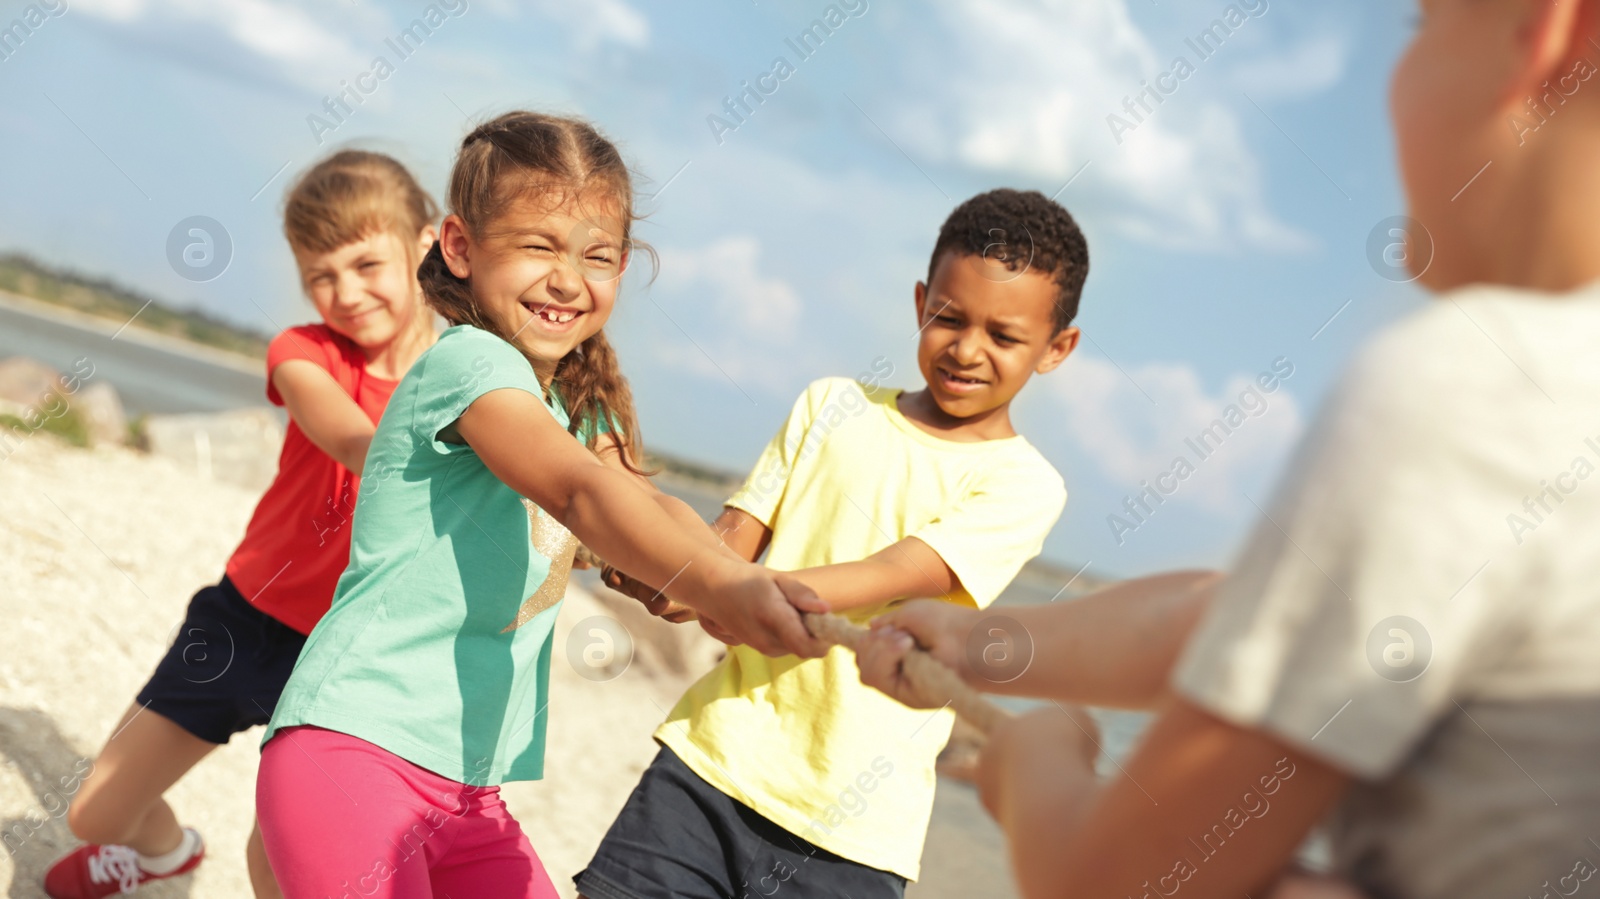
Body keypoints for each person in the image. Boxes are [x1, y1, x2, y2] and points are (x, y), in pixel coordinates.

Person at [855, 1, 1600, 897]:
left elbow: (1114, 880)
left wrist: (1036, 753)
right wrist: (982, 642)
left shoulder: (1482, 387)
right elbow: (1243, 616)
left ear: (1550, 31)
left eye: (1420, 24)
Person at [253, 110, 831, 899]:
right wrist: (720, 585)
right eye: (538, 245)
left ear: (623, 266)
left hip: (469, 793)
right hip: (355, 748)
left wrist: (729, 577)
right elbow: (577, 490)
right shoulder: (469, 363)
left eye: (596, 255)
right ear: (458, 247)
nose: (568, 278)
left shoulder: (572, 410)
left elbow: (641, 502)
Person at [575, 188, 1084, 899]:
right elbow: (730, 542)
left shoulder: (1026, 483)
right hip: (711, 761)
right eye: (949, 317)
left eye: (1004, 336)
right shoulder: (830, 403)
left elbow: (899, 571)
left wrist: (741, 593)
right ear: (919, 302)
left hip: (853, 832)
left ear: (1057, 348)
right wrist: (675, 574)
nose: (967, 349)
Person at [45, 151, 442, 899]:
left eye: (366, 264)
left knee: (284, 857)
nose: (346, 293)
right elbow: (348, 436)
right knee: (94, 811)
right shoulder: (304, 352)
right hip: (243, 614)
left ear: (425, 242)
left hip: (344, 656)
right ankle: (166, 854)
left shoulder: (464, 376)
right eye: (320, 275)